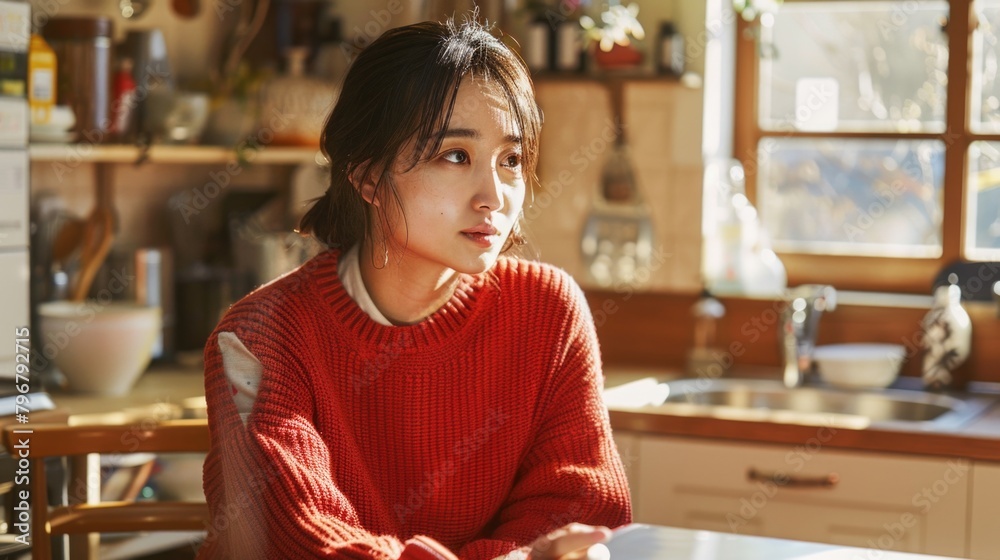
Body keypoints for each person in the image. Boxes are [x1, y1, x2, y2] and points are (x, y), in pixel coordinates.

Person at [198, 16, 632, 560]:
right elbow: (300, 541)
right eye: (455, 155)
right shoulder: (261, 337)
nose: (493, 196)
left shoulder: (549, 311)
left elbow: (582, 512)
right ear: (367, 178)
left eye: (511, 160)